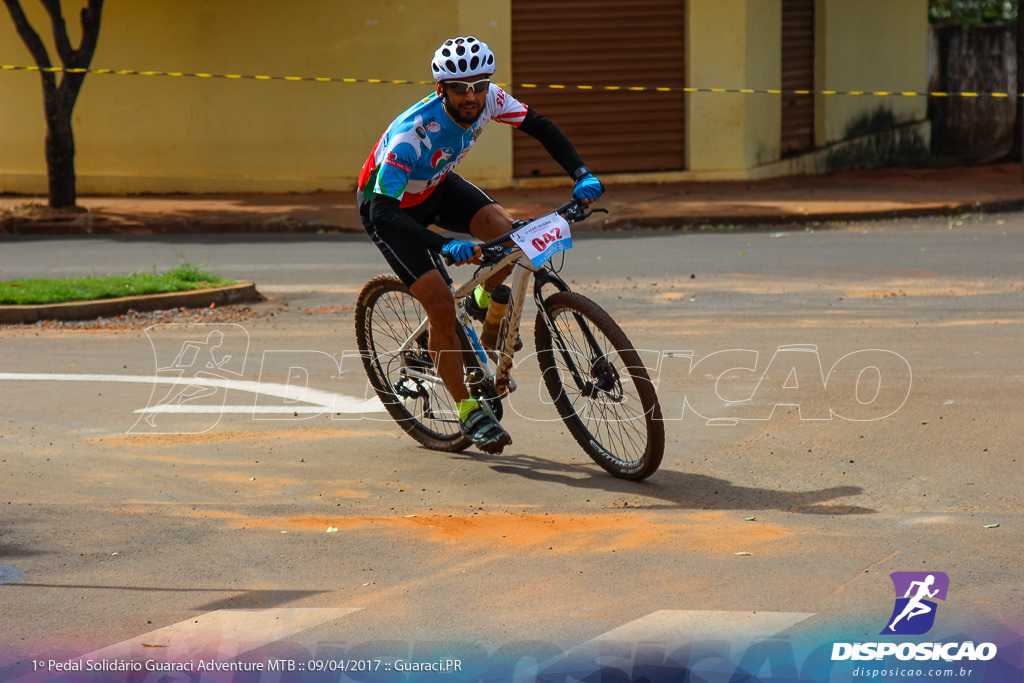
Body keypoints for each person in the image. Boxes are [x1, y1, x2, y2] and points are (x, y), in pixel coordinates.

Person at [357, 36, 603, 454]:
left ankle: (480, 301)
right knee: (438, 303)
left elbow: (540, 126)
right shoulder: (411, 136)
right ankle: (468, 409)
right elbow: (384, 212)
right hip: (389, 208)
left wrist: (580, 173)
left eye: (479, 85)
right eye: (460, 88)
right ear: (441, 89)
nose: (471, 97)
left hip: (434, 187)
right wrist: (442, 244)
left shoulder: (489, 99)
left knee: (509, 234)